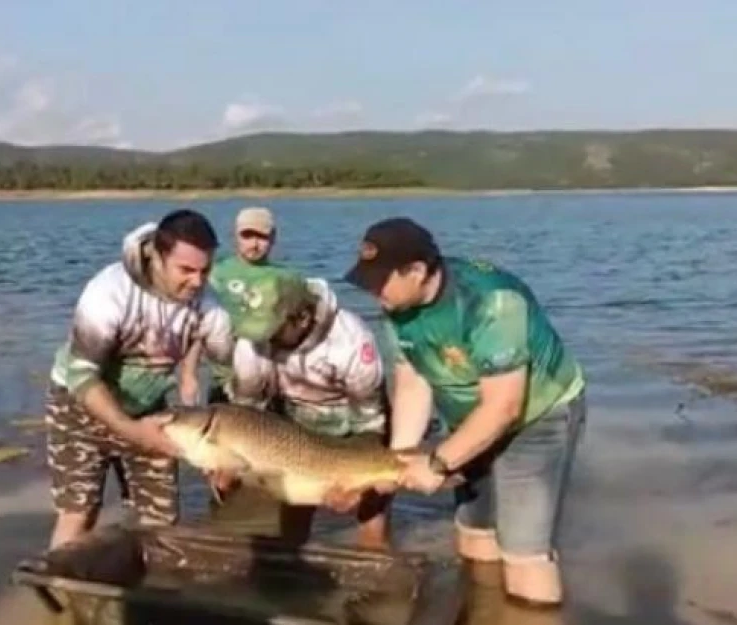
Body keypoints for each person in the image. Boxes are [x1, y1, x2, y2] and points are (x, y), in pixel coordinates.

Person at [342, 217, 587, 608]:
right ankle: (487, 612)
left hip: (537, 418)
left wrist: (437, 465)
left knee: (524, 555)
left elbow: (504, 407)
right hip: (467, 417)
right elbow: (412, 384)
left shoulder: (491, 301)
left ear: (418, 271)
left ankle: (533, 612)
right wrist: (397, 463)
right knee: (474, 535)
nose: (372, 289)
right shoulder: (395, 306)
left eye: (380, 278)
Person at [43, 209, 232, 549]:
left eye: (206, 270)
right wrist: (130, 432)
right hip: (79, 403)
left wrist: (223, 449)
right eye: (186, 270)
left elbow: (227, 372)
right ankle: (63, 594)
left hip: (149, 409)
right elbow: (83, 375)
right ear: (157, 257)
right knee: (79, 512)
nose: (197, 282)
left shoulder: (210, 309)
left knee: (161, 522)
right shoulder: (109, 292)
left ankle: (145, 593)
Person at [211, 266, 394, 550]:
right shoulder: (253, 342)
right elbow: (247, 413)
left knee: (371, 519)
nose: (264, 339)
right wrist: (228, 460)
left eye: (272, 331)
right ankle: (294, 582)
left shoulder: (351, 341)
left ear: (302, 317)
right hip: (296, 423)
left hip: (358, 424)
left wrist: (354, 483)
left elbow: (369, 425)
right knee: (292, 517)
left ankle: (379, 582)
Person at [186, 206, 279, 405]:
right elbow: (195, 328)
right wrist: (189, 374)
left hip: (269, 384)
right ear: (235, 235)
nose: (254, 244)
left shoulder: (285, 278)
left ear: (273, 238)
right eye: (247, 236)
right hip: (224, 383)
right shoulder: (214, 273)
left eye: (261, 237)